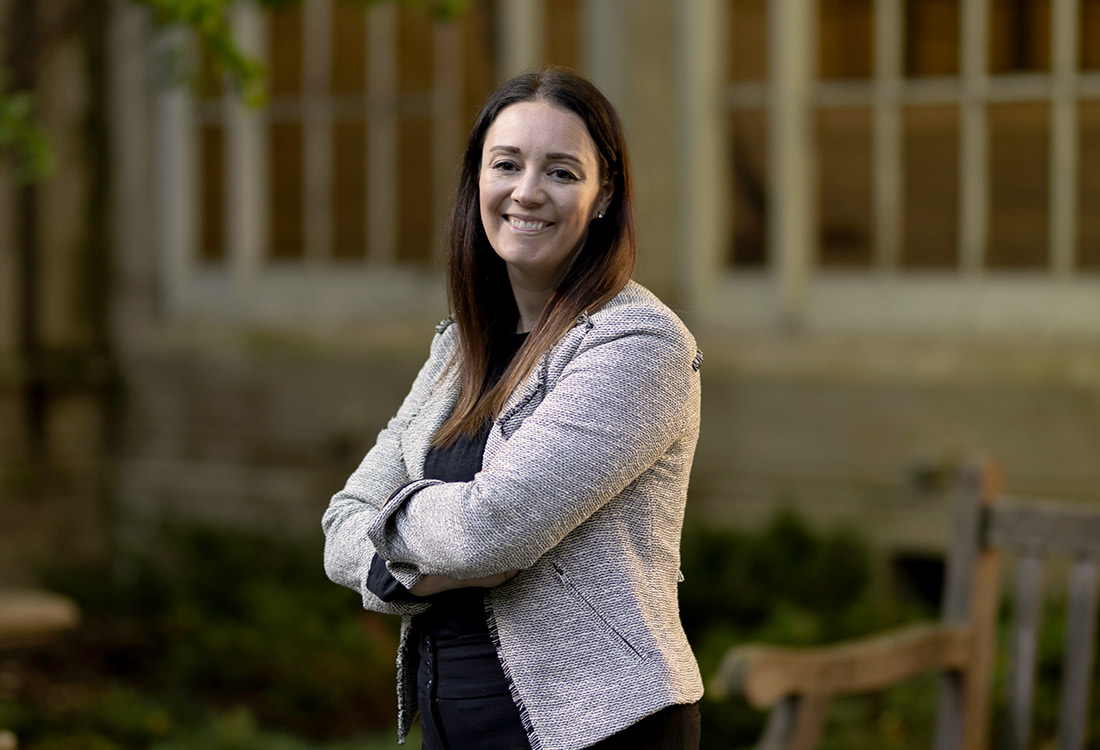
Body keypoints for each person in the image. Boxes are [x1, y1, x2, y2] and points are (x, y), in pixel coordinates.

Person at [322, 67, 704, 750]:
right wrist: (440, 552)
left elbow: (492, 531)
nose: (527, 192)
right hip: (456, 728)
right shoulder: (460, 349)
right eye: (507, 164)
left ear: (604, 194)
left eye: (561, 172)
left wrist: (455, 538)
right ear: (478, 180)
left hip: (602, 729)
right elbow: (340, 527)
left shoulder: (640, 344)